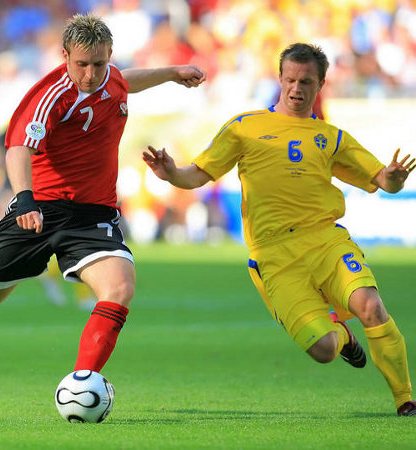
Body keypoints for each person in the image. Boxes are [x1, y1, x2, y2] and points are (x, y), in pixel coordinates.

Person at [143, 43, 416, 416]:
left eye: (306, 81)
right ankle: (344, 337)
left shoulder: (331, 137)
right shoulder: (244, 128)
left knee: (370, 305)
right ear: (280, 79)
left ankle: (406, 400)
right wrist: (171, 172)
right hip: (274, 257)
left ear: (320, 84)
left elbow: (383, 179)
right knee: (322, 350)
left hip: (326, 240)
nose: (296, 88)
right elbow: (198, 175)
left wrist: (395, 178)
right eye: (290, 79)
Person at [0, 14, 205, 376]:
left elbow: (125, 81)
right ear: (64, 55)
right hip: (38, 210)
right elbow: (19, 149)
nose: (90, 74)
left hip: (92, 214)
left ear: (110, 54)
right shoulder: (51, 96)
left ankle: (83, 382)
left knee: (120, 287)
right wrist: (24, 199)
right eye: (81, 64)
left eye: (99, 63)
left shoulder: (111, 78)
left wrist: (173, 72)